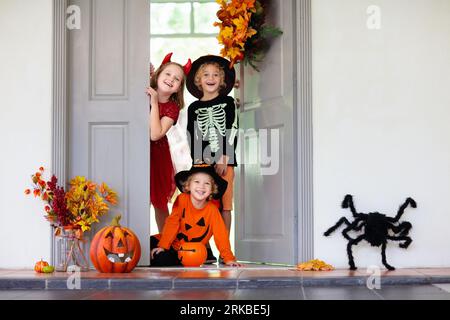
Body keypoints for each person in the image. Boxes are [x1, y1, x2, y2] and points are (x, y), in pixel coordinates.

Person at [185, 55, 239, 262]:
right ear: (198, 80)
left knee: (225, 206)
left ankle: (226, 252)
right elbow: (192, 134)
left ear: (222, 80)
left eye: (215, 75)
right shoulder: (193, 108)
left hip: (226, 160)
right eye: (205, 74)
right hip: (201, 162)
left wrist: (225, 155)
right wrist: (197, 164)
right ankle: (205, 249)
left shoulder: (228, 102)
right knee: (202, 204)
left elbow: (232, 128)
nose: (211, 78)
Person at [150, 163, 242, 267]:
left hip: (188, 251)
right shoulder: (182, 199)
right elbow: (172, 223)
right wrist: (163, 246)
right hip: (170, 242)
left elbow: (221, 236)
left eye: (207, 183)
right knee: (146, 243)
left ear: (212, 189)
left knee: (161, 259)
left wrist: (229, 258)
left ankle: (162, 257)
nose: (201, 186)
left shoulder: (212, 211)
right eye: (197, 181)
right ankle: (156, 254)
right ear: (188, 185)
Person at [146, 53, 192, 232]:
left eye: (177, 79)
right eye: (167, 74)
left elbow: (155, 134)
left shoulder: (172, 108)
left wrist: (154, 102)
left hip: (157, 155)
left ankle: (165, 243)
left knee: (159, 202)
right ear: (157, 75)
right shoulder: (143, 90)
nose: (171, 79)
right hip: (137, 151)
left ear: (178, 88)